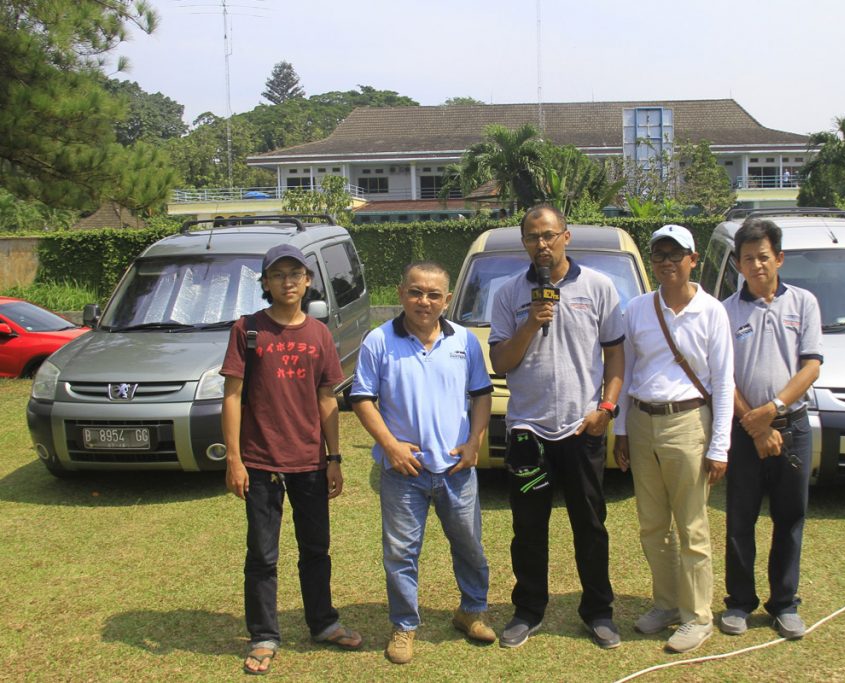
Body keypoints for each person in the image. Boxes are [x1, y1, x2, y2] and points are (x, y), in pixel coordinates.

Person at [221, 243, 362, 676]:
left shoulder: (319, 334)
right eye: (278, 274)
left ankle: (323, 623)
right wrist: (234, 459)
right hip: (261, 460)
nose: (288, 282)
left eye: (296, 274)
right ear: (265, 283)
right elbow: (232, 396)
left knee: (316, 549)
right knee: (262, 553)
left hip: (309, 461)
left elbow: (327, 398)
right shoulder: (247, 329)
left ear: (308, 281)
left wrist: (333, 457)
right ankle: (264, 635)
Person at [488, 204, 625, 649]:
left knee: (590, 524)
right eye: (532, 237)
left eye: (549, 235)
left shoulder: (599, 287)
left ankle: (598, 611)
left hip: (581, 428)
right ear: (524, 242)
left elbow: (616, 356)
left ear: (566, 236)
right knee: (528, 528)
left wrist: (606, 407)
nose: (541, 244)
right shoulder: (509, 294)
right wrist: (531, 322)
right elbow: (501, 362)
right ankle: (528, 610)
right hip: (528, 431)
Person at [350, 261, 495, 665]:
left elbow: (481, 394)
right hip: (403, 471)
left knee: (469, 545)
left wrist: (474, 443)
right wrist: (391, 446)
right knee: (400, 553)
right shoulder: (378, 341)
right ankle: (404, 625)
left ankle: (472, 610)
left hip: (455, 469)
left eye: (434, 295)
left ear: (447, 300)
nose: (424, 301)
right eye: (416, 292)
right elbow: (361, 399)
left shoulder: (464, 340)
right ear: (400, 293)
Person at [613, 224, 735, 653]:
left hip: (688, 423)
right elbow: (625, 371)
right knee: (651, 525)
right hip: (644, 421)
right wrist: (622, 430)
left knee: (692, 527)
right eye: (659, 256)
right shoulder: (637, 309)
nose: (666, 263)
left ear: (693, 259)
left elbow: (722, 382)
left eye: (675, 254)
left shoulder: (712, 311)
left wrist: (719, 446)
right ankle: (666, 604)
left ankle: (698, 616)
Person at [720, 218, 823, 640]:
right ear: (738, 265)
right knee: (740, 520)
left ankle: (784, 604)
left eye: (763, 257)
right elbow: (722, 377)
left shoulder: (804, 304)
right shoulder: (726, 311)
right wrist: (755, 423)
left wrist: (774, 409)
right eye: (748, 259)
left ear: (778, 258)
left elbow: (811, 366)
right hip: (745, 433)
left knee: (789, 518)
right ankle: (739, 603)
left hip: (793, 427)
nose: (757, 265)